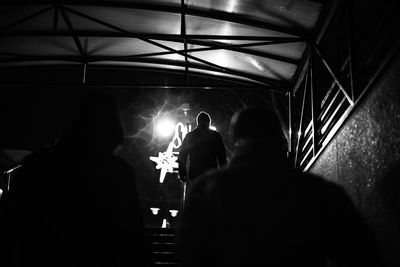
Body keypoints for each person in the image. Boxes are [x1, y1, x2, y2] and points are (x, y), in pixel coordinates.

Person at [176, 106, 384, 267]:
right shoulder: (320, 193)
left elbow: (189, 254)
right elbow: (362, 254)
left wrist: (187, 172)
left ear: (237, 138)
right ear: (278, 138)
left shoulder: (206, 192)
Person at [0, 91, 152, 267]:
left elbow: (9, 226)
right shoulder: (118, 171)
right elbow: (135, 238)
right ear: (112, 129)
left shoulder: (37, 165)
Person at [178, 111, 227, 185]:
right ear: (209, 122)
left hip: (196, 173)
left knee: (198, 194)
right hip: (211, 171)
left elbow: (182, 155)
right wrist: (224, 172)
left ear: (198, 122)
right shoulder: (215, 136)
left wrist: (182, 172)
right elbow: (221, 156)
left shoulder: (190, 136)